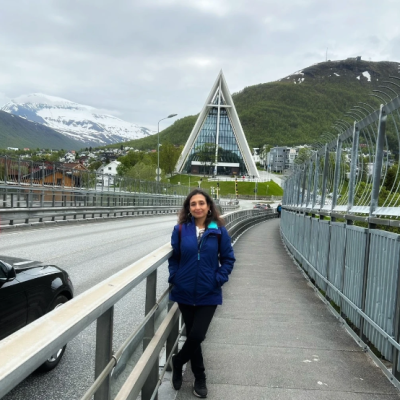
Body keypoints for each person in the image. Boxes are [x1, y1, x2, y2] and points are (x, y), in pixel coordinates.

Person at [168, 189, 235, 398]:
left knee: (198, 335)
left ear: (209, 206)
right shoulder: (180, 230)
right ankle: (200, 378)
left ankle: (178, 361)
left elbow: (228, 259)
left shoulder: (218, 230)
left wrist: (218, 279)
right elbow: (175, 258)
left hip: (209, 291)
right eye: (193, 204)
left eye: (201, 203)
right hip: (185, 291)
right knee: (193, 338)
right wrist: (175, 277)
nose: (197, 207)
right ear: (188, 208)